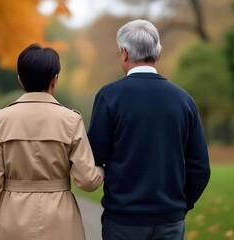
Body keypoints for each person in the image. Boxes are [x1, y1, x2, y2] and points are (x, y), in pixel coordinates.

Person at [88, 19, 211, 240]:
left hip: (123, 220)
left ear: (124, 53)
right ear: (159, 52)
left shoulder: (109, 97)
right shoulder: (184, 100)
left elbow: (94, 156)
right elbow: (200, 168)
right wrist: (180, 205)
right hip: (170, 219)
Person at [0, 44, 104, 240]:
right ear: (54, 79)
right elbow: (87, 181)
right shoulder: (71, 121)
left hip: (11, 221)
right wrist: (102, 169)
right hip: (61, 221)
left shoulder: (0, 121)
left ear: (20, 79)